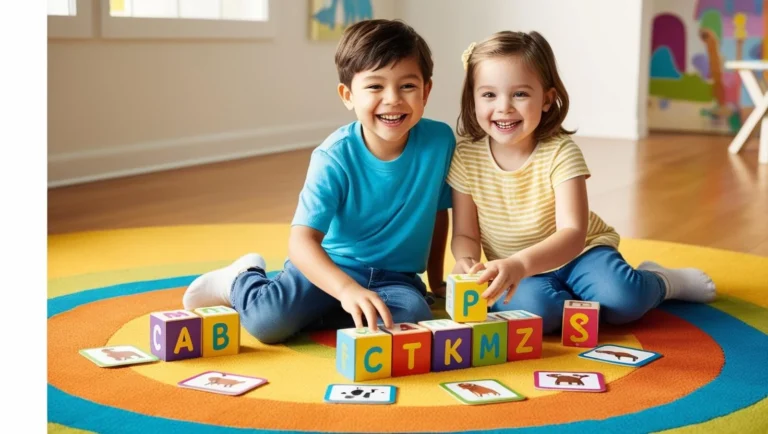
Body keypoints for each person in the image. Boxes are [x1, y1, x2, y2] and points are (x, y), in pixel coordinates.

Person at [182, 19, 455, 343]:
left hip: (395, 279)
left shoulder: (440, 142)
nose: (393, 99)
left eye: (407, 86)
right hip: (328, 269)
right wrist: (345, 288)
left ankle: (332, 311)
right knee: (267, 324)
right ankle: (242, 280)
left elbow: (438, 212)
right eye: (375, 87)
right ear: (347, 95)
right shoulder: (333, 157)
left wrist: (436, 280)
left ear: (426, 90)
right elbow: (301, 243)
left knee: (412, 317)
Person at [448, 31, 716, 333]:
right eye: (489, 95)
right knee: (536, 315)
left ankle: (661, 281)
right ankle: (581, 299)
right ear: (472, 99)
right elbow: (465, 234)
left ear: (547, 99)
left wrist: (520, 264)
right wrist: (467, 259)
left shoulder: (561, 152)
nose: (504, 107)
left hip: (581, 255)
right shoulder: (466, 157)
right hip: (521, 272)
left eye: (520, 94)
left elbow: (573, 233)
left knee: (624, 299)